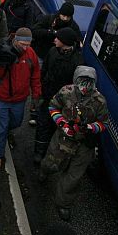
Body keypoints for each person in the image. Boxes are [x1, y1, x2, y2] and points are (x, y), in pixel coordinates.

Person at [40, 66, 108, 221]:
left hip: (83, 144)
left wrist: (90, 127)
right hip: (62, 139)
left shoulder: (100, 101)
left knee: (74, 177)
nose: (85, 87)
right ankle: (44, 172)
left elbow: (104, 123)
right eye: (82, 82)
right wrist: (62, 124)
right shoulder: (66, 92)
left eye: (89, 83)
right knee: (51, 164)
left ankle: (63, 204)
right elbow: (53, 106)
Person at [0, 27, 41, 169]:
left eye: (28, 45)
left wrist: (36, 95)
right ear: (16, 41)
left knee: (16, 122)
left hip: (19, 99)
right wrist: (1, 63)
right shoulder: (5, 52)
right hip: (2, 97)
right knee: (1, 126)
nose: (25, 48)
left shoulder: (31, 55)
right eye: (23, 44)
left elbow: (35, 75)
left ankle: (4, 133)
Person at [34, 27, 83, 164]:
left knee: (55, 130)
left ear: (65, 42)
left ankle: (49, 159)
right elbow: (44, 71)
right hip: (48, 97)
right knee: (42, 125)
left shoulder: (77, 61)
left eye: (58, 38)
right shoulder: (53, 51)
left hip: (63, 103)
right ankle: (38, 153)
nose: (55, 39)